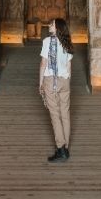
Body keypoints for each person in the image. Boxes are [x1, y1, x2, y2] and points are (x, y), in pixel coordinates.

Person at [38, 18, 74, 163]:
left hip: (51, 80)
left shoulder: (48, 41)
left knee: (55, 115)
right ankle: (66, 146)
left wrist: (40, 83)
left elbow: (43, 64)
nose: (49, 25)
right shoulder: (67, 42)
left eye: (52, 24)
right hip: (65, 81)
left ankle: (61, 149)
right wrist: (67, 82)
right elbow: (69, 66)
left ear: (57, 28)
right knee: (65, 114)